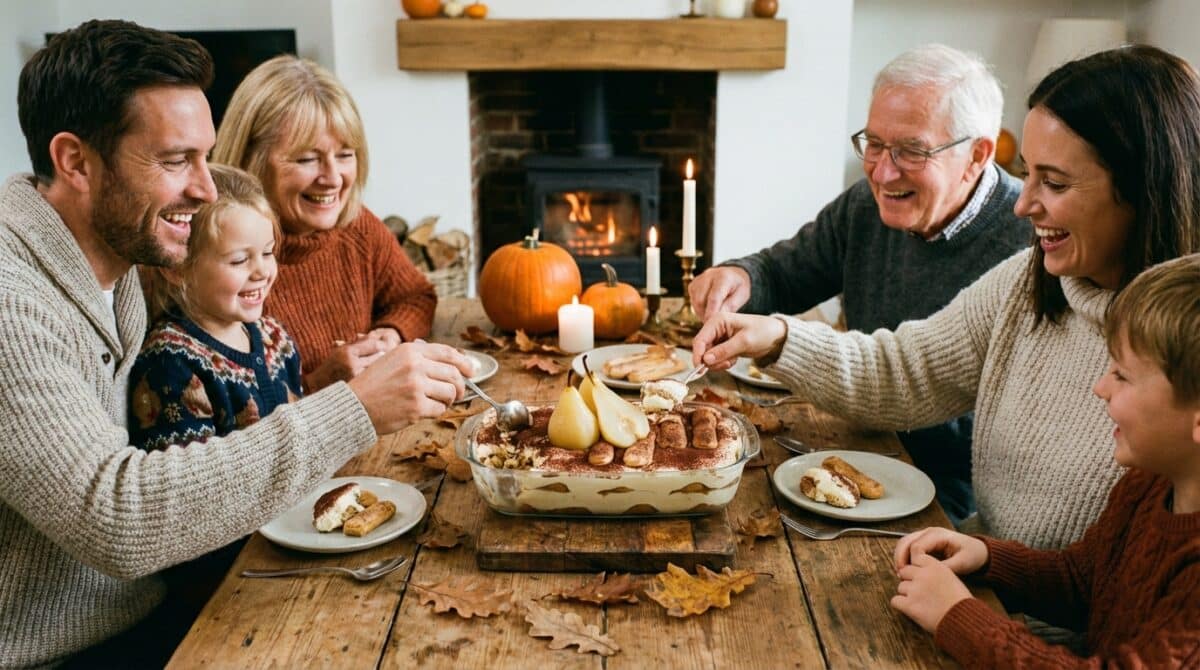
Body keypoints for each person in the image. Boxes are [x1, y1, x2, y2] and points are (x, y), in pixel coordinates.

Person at [0, 20, 472, 668]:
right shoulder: (14, 302)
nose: (205, 188)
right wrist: (353, 409)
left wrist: (328, 389)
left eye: (206, 156)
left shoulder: (124, 255)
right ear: (75, 162)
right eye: (176, 161)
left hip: (161, 604)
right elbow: (118, 518)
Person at [692, 44, 1200, 552]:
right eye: (1028, 173)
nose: (1024, 204)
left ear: (1143, 188)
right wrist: (777, 336)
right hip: (979, 563)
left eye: (1054, 182)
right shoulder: (1027, 280)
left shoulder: (1182, 338)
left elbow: (1128, 585)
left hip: (999, 578)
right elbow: (905, 369)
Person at [689, 44, 1031, 524]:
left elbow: (926, 389)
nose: (883, 172)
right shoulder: (867, 205)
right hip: (853, 444)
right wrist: (740, 276)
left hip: (951, 494)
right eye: (874, 143)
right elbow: (784, 271)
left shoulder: (1030, 243)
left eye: (911, 151)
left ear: (976, 155)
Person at [889, 253, 1200, 667]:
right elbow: (1081, 580)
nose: (1100, 387)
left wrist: (959, 616)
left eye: (1122, 376)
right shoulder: (1150, 482)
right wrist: (987, 558)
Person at [212, 55, 437, 392]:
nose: (333, 178)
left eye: (345, 155)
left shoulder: (357, 227)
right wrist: (318, 384)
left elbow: (416, 297)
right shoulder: (214, 256)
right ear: (250, 160)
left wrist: (389, 336)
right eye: (307, 159)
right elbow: (230, 404)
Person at [130, 164, 300, 450]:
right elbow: (188, 474)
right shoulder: (171, 363)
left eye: (268, 252)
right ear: (177, 268)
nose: (262, 271)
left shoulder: (276, 338)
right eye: (239, 260)